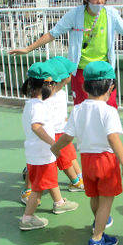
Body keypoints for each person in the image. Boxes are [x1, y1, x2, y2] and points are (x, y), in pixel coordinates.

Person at [9, 0, 123, 107]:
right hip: (81, 69)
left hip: (104, 69)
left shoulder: (111, 14)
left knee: (109, 105)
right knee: (82, 105)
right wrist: (28, 49)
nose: (100, 2)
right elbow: (53, 34)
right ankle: (85, 137)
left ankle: (106, 136)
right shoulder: (75, 14)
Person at [51, 61, 123, 245]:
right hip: (105, 161)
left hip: (87, 161)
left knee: (95, 196)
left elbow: (67, 136)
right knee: (106, 201)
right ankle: (97, 239)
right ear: (111, 87)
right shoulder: (108, 111)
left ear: (84, 86)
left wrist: (56, 147)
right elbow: (113, 138)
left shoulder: (78, 109)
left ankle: (98, 223)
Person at [19, 62, 79, 231]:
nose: (55, 88)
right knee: (38, 190)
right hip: (42, 154)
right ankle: (27, 218)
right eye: (53, 84)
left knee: (50, 180)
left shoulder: (31, 104)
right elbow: (36, 127)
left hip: (37, 154)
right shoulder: (38, 107)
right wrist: (53, 143)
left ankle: (59, 202)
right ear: (46, 86)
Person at [45, 57, 84, 191]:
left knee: (70, 155)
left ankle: (79, 176)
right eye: (69, 73)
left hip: (63, 130)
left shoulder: (61, 92)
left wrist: (66, 120)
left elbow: (60, 112)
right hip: (55, 133)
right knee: (65, 160)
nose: (71, 75)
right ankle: (75, 182)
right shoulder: (48, 95)